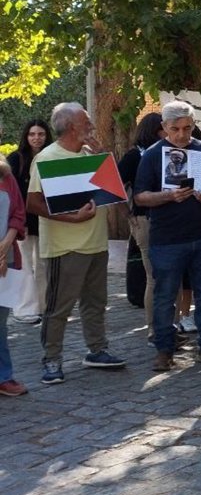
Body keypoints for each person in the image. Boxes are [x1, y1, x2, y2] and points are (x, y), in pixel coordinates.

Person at [26, 103, 126, 383]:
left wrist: (103, 157)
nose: (91, 126)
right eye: (86, 122)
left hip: (97, 243)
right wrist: (72, 218)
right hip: (65, 247)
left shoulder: (90, 154)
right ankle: (52, 359)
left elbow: (113, 191)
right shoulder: (46, 158)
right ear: (72, 127)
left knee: (96, 302)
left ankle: (97, 350)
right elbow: (32, 203)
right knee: (59, 307)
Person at [133, 100, 201, 371]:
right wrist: (168, 196)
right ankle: (164, 350)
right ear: (164, 127)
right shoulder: (152, 155)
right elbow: (140, 197)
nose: (182, 135)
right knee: (165, 296)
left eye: (187, 128)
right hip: (167, 239)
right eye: (175, 129)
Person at [118, 112, 164, 340]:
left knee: (171, 276)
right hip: (145, 220)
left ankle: (171, 327)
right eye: (164, 129)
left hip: (168, 220)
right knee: (153, 276)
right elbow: (114, 186)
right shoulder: (134, 156)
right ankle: (154, 329)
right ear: (155, 131)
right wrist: (128, 214)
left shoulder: (167, 153)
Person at [7, 118, 51, 324]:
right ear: (26, 136)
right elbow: (11, 193)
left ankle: (43, 306)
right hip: (22, 220)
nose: (36, 138)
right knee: (23, 265)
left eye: (41, 134)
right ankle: (25, 309)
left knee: (43, 264)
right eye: (32, 134)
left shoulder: (51, 158)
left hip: (45, 218)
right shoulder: (15, 159)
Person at [0, 153, 29, 395]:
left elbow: (18, 213)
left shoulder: (6, 175)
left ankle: (3, 376)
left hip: (6, 259)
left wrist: (6, 243)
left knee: (0, 324)